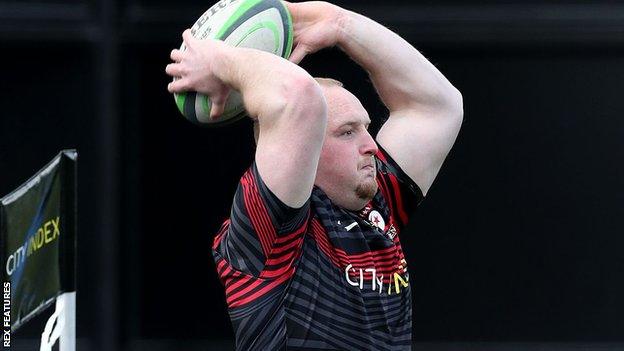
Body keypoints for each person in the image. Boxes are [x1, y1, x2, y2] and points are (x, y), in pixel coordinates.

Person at [165, 1, 463, 349]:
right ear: (302, 144)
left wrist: (338, 23)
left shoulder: (378, 205)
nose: (371, 145)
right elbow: (298, 98)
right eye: (347, 132)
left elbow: (438, 106)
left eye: (366, 128)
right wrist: (218, 60)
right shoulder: (270, 229)